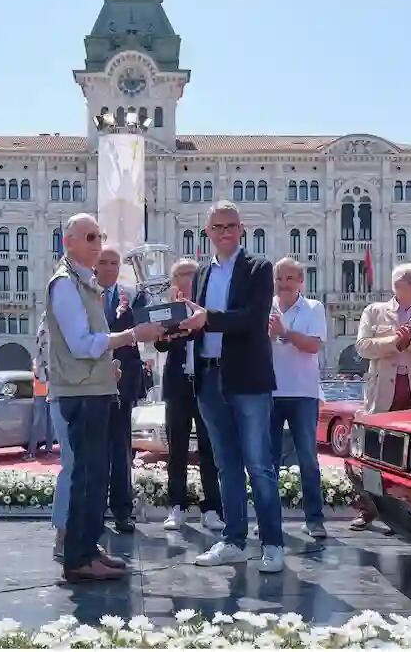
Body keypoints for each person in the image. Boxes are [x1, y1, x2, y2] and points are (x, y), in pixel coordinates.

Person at [46, 213, 162, 580]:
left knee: (96, 474)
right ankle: (79, 559)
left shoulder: (84, 282)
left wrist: (107, 365)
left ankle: (86, 547)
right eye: (91, 237)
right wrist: (131, 335)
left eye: (101, 236)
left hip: (94, 388)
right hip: (81, 393)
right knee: (87, 475)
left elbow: (89, 341)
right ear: (69, 243)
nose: (98, 243)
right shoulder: (65, 284)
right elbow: (81, 344)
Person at [176, 201, 283, 573]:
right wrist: (179, 320)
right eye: (218, 227)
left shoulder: (259, 268)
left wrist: (208, 318)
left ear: (242, 229)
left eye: (231, 226)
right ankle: (234, 539)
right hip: (208, 377)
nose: (225, 232)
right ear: (207, 233)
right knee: (226, 465)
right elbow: (200, 322)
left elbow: (254, 319)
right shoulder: (202, 272)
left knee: (259, 464)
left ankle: (272, 543)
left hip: (248, 378)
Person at [350, 263, 411, 531]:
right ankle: (368, 510)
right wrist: (394, 341)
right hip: (383, 395)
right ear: (396, 286)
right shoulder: (374, 312)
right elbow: (363, 347)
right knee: (373, 456)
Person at [156, 258, 223, 533]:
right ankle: (177, 505)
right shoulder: (167, 310)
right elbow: (159, 344)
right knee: (177, 448)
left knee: (210, 448)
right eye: (181, 274)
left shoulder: (207, 309)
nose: (186, 278)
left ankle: (212, 508)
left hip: (206, 384)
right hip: (177, 385)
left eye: (191, 274)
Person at [268, 257, 328, 538]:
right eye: (279, 278)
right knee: (266, 461)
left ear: (301, 281)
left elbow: (313, 346)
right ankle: (269, 520)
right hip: (269, 392)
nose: (283, 284)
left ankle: (314, 519)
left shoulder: (314, 308)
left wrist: (285, 333)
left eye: (290, 278)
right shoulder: (265, 307)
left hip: (303, 393)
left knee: (307, 458)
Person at [96, 245, 151, 533]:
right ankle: (94, 510)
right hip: (90, 382)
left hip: (122, 384)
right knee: (94, 450)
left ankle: (121, 511)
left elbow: (146, 326)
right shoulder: (83, 294)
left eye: (114, 263)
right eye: (103, 262)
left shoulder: (134, 294)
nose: (108, 267)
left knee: (120, 449)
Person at [23, 313, 55, 461]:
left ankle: (36, 451)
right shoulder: (42, 347)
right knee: (46, 421)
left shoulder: (46, 340)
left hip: (45, 388)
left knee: (45, 421)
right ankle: (41, 450)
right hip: (45, 388)